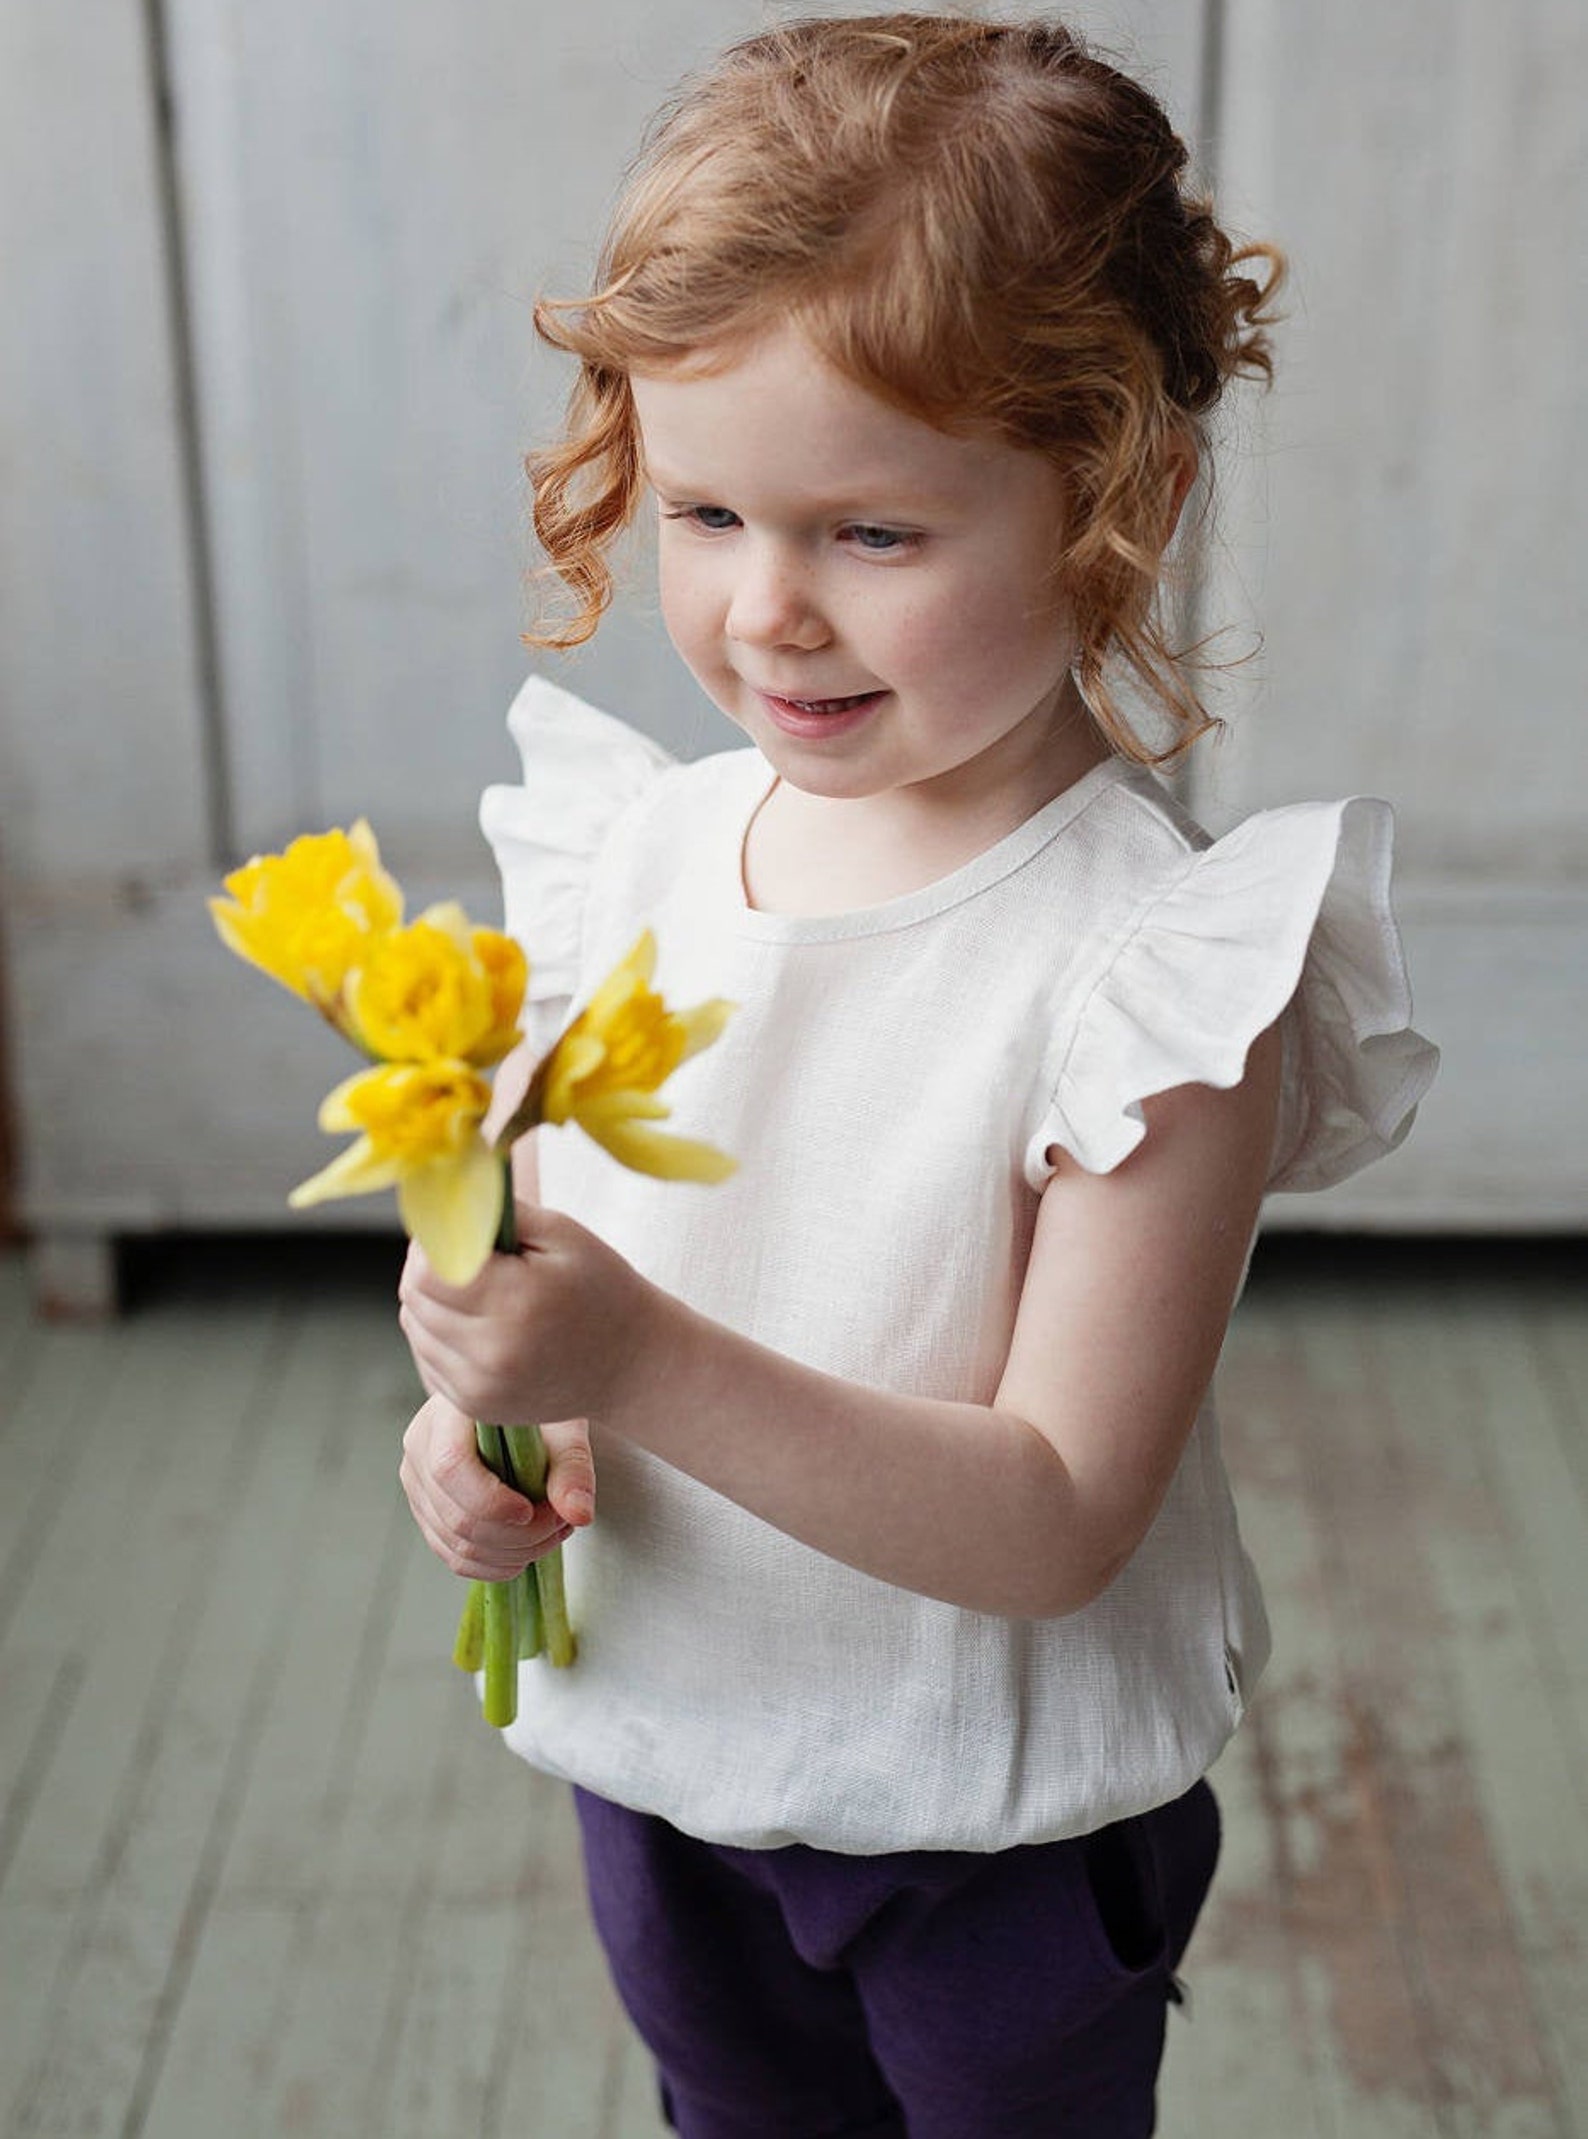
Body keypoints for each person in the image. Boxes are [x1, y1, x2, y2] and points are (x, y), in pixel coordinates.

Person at [396, 16, 1439, 2135]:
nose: (766, 611)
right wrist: (477, 1415)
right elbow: (571, 1289)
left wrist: (636, 1345)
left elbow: (1056, 1510)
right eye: (700, 508)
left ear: (1115, 497)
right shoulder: (644, 860)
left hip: (989, 1809)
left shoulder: (1147, 976)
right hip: (673, 1747)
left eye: (871, 533)